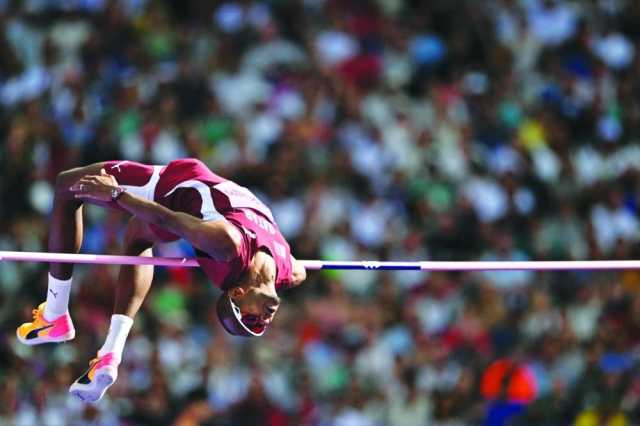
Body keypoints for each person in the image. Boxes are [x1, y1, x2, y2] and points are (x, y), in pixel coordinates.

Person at [15, 158, 307, 402]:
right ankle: (109, 355)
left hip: (171, 189)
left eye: (250, 319)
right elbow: (299, 271)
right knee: (137, 238)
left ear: (240, 292)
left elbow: (168, 219)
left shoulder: (227, 243)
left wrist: (115, 195)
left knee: (68, 185)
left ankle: (54, 314)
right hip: (193, 208)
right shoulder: (289, 272)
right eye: (257, 325)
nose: (263, 322)